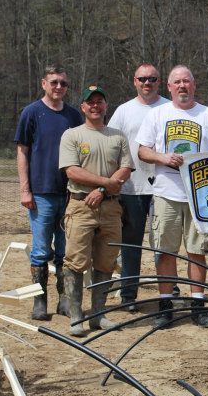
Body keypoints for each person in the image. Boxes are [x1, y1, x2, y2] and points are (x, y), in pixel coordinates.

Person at [137, 65, 208, 329]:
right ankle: (165, 306)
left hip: (200, 196)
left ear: (194, 85)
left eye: (186, 81)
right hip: (166, 194)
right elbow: (143, 151)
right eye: (177, 82)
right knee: (165, 251)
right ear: (169, 87)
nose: (182, 86)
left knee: (197, 251)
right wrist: (162, 157)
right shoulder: (158, 115)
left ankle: (197, 305)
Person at [58, 85, 134, 336]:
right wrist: (103, 183)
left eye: (100, 101)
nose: (95, 106)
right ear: (83, 107)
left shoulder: (117, 136)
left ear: (105, 106)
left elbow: (125, 168)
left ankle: (98, 316)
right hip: (80, 207)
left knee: (106, 261)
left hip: (111, 208)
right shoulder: (72, 135)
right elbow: (72, 171)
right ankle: (77, 315)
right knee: (76, 261)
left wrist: (102, 191)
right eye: (90, 102)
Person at [15, 64, 83, 321]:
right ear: (44, 83)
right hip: (41, 193)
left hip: (69, 194)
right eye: (53, 82)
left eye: (63, 83)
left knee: (65, 251)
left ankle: (64, 301)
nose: (58, 87)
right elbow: (22, 152)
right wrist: (25, 190)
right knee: (41, 250)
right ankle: (39, 302)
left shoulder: (73, 116)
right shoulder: (32, 113)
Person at [107, 63, 168, 311]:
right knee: (131, 244)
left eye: (152, 79)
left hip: (164, 187)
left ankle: (169, 292)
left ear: (159, 81)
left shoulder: (169, 107)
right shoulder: (123, 111)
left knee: (163, 243)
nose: (147, 83)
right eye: (142, 79)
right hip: (132, 188)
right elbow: (112, 145)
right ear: (134, 81)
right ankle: (128, 295)